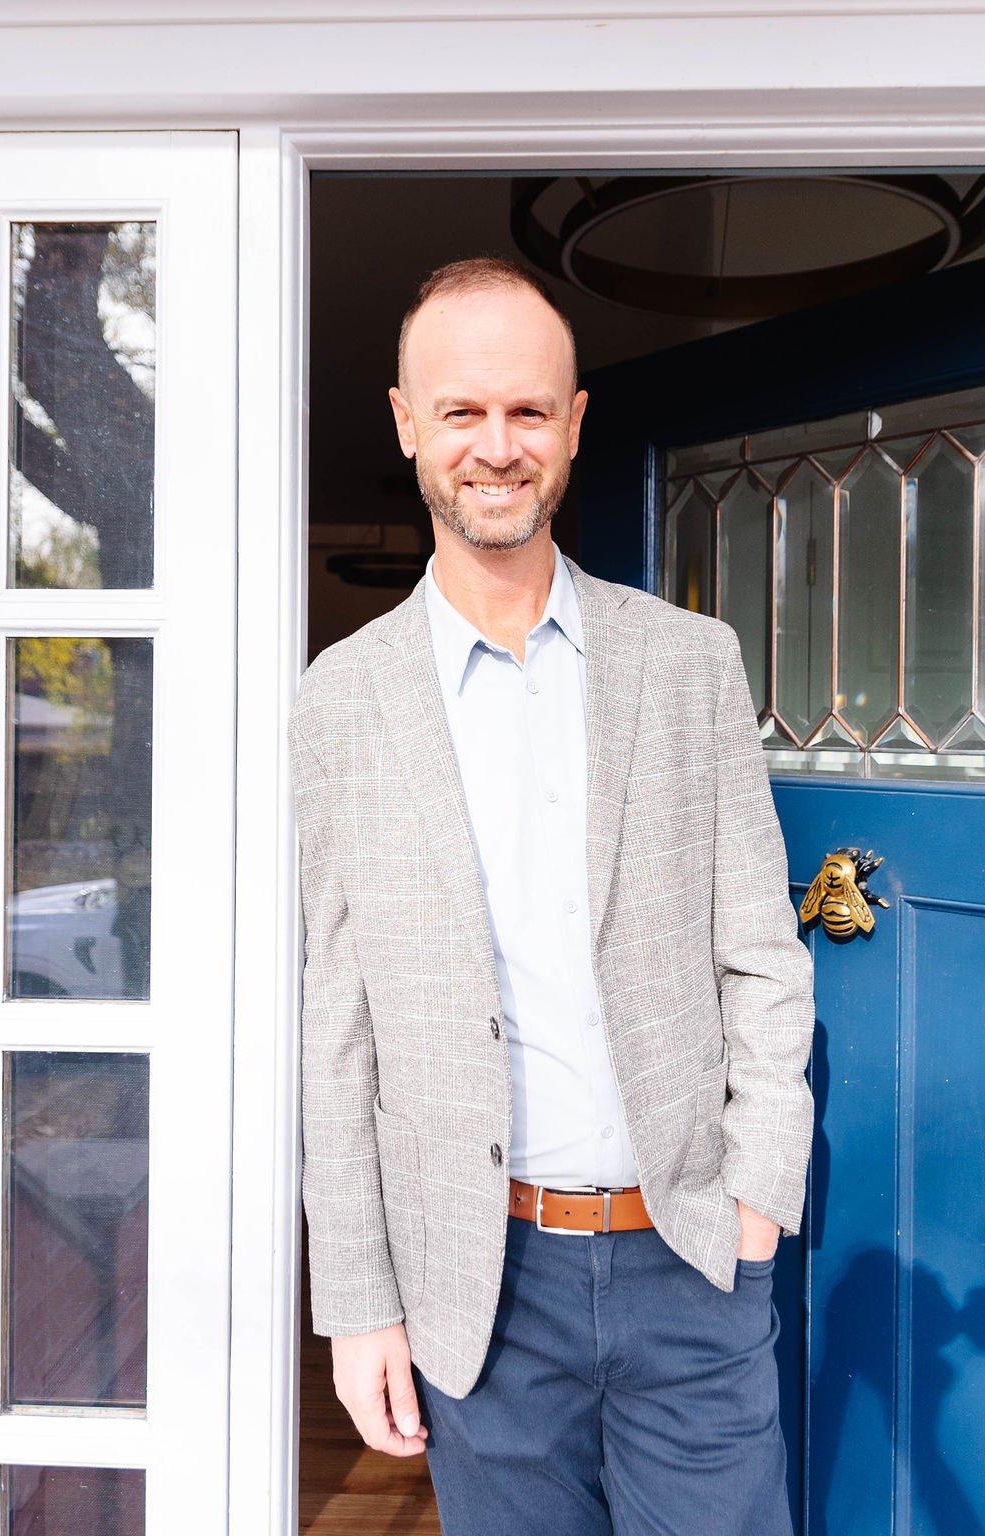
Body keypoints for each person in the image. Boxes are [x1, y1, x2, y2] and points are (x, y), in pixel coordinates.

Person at [289, 256, 815, 1536]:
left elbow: (760, 951)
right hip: (478, 1288)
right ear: (407, 424)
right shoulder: (339, 699)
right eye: (460, 412)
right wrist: (357, 1303)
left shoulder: (688, 663)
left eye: (527, 411)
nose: (496, 446)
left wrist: (757, 1193)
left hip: (689, 1259)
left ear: (574, 423)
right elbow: (337, 1020)